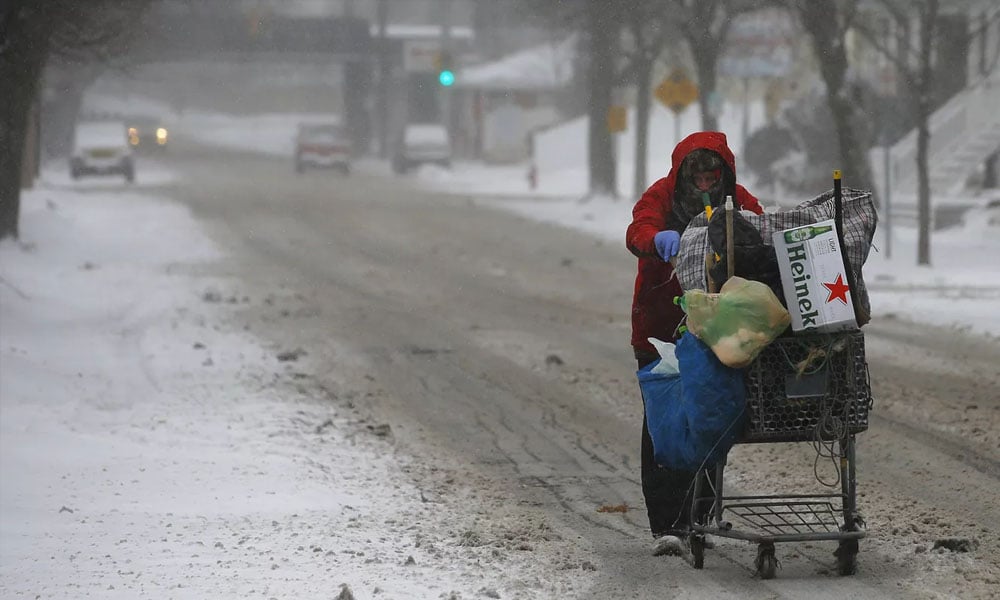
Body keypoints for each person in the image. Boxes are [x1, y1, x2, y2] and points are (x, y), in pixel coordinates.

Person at [625, 131, 763, 556]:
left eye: (712, 177)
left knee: (709, 418)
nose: (705, 186)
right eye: (696, 178)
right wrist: (657, 240)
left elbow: (759, 229)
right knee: (666, 426)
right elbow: (639, 227)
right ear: (683, 175)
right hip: (661, 328)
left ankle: (698, 515)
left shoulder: (737, 199)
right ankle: (666, 522)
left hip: (714, 332)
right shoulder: (661, 197)